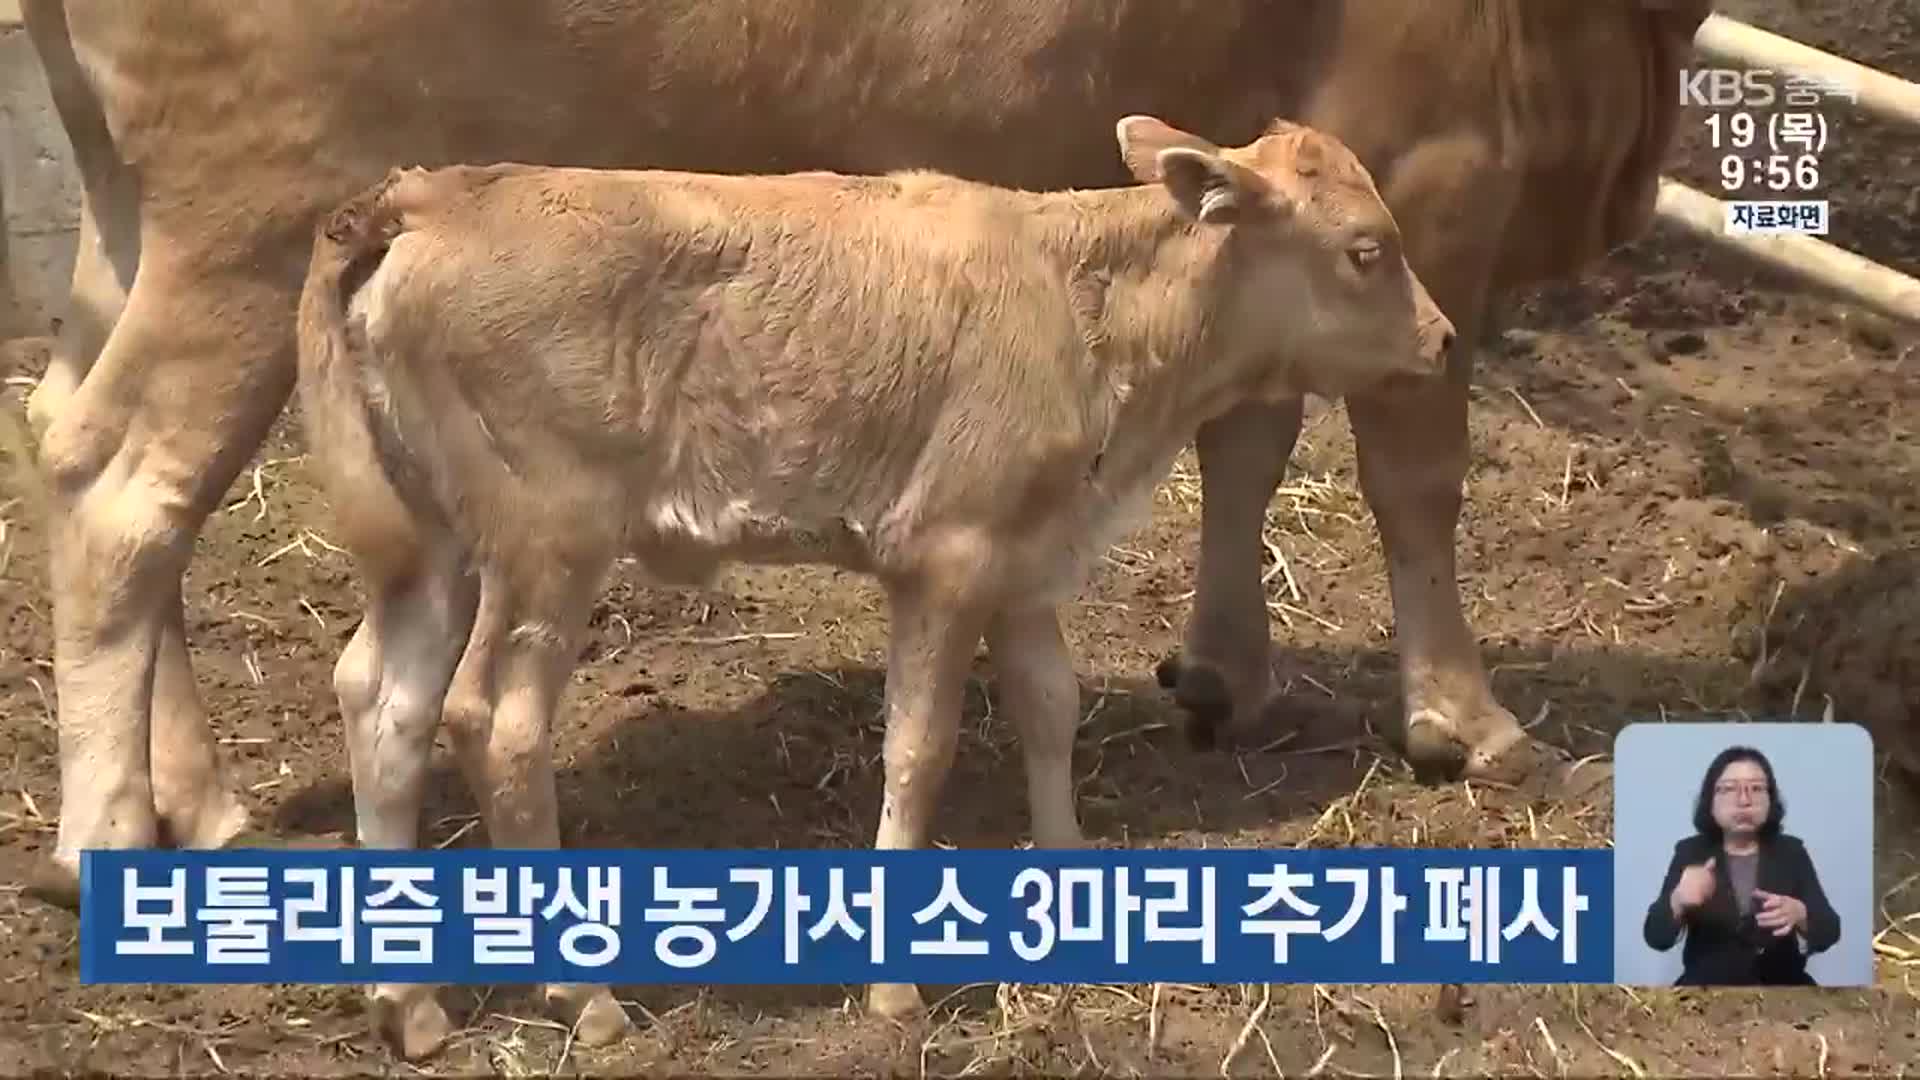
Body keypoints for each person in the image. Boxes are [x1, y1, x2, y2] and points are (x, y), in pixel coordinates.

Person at [1642, 745, 1841, 985]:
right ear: (1710, 800)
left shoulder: (1791, 852)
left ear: (1771, 798)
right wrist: (1678, 900)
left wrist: (1801, 915)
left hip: (1784, 989)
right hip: (1706, 990)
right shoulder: (1690, 852)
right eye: (1728, 789)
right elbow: (1655, 937)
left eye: (1756, 788)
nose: (1744, 800)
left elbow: (1830, 930)